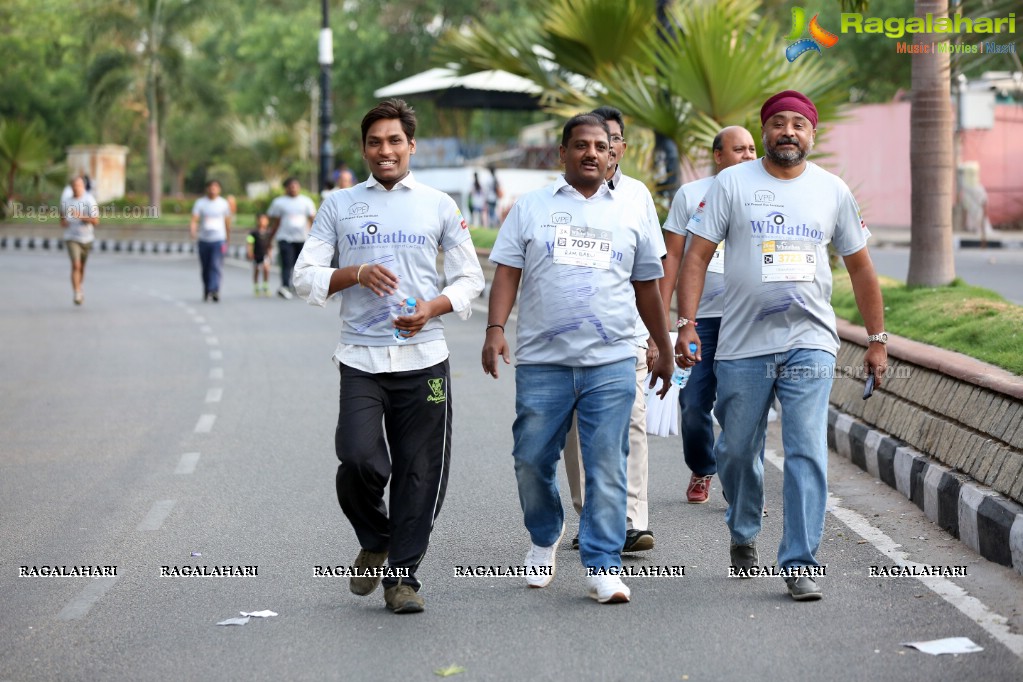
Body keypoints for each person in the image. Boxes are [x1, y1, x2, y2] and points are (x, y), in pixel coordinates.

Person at [676, 90, 887, 601]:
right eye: (777, 124)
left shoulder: (832, 191)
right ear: (764, 132)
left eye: (798, 124)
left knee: (806, 449)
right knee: (735, 449)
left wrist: (877, 339)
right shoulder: (732, 184)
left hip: (810, 341)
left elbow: (860, 267)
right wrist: (686, 323)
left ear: (812, 134)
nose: (787, 132)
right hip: (742, 343)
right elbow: (697, 257)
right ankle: (744, 528)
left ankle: (799, 561)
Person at [293, 99, 484, 615]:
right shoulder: (339, 204)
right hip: (361, 356)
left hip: (425, 358)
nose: (385, 150)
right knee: (357, 459)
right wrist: (353, 273)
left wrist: (433, 307)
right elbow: (303, 275)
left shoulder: (440, 204)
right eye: (375, 141)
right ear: (364, 148)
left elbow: (470, 278)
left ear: (411, 145)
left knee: (420, 471)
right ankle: (375, 538)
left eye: (395, 140)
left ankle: (403, 579)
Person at [482, 113, 674, 604]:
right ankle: (544, 534)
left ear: (613, 156)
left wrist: (662, 345)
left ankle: (603, 564)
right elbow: (506, 271)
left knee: (607, 464)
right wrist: (496, 329)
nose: (591, 153)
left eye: (600, 146)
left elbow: (647, 286)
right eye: (580, 145)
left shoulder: (630, 210)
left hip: (610, 361)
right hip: (544, 362)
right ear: (561, 153)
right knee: (531, 458)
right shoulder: (531, 207)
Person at [562, 106, 665, 553]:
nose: (606, 148)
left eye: (613, 140)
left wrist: (659, 338)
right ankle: (591, 515)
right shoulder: (557, 198)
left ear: (619, 147)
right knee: (577, 432)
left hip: (627, 332)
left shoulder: (637, 196)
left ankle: (631, 520)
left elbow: (653, 269)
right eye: (591, 142)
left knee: (633, 423)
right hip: (569, 337)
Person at [661, 126, 757, 504]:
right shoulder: (690, 195)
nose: (748, 155)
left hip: (746, 320)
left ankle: (743, 486)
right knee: (693, 403)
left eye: (752, 149)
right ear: (718, 156)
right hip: (698, 321)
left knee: (742, 405)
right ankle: (702, 467)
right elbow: (672, 259)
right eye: (739, 149)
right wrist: (664, 322)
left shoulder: (764, 194)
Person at [267, 177, 317, 299]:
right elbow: (275, 222)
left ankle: (298, 286)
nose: (293, 188)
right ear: (286, 188)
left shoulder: (306, 202)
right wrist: (269, 238)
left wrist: (315, 237)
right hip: (285, 238)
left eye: (295, 185)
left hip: (302, 238)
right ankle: (284, 286)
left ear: (299, 187)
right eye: (290, 186)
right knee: (286, 263)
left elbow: (313, 220)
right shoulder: (279, 202)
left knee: (300, 264)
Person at [189, 179, 231, 302]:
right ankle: (207, 288)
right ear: (207, 189)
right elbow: (194, 219)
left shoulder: (223, 204)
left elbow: (227, 222)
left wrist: (228, 238)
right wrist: (192, 230)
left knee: (216, 265)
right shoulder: (200, 203)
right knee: (206, 266)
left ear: (219, 189)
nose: (213, 189)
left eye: (215, 187)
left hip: (218, 240)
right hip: (204, 240)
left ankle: (214, 290)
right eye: (211, 187)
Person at [60, 176, 99, 305]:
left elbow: (95, 221)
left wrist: (80, 216)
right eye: (75, 185)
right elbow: (62, 216)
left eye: (80, 185)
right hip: (71, 238)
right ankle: (76, 292)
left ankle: (79, 287)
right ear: (71, 187)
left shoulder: (89, 200)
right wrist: (64, 221)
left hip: (87, 238)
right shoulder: (66, 200)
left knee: (81, 267)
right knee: (75, 265)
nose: (77, 188)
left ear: (83, 186)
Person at [247, 213, 272, 296]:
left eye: (264, 220)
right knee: (257, 270)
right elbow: (249, 243)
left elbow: (270, 245)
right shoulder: (253, 233)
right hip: (256, 254)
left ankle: (265, 286)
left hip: (265, 254)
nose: (262, 222)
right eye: (261, 220)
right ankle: (256, 286)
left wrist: (270, 253)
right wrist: (249, 252)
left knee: (266, 268)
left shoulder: (269, 232)